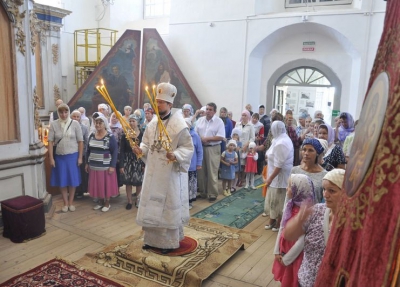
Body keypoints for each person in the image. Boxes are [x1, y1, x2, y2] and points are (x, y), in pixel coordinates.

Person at [133, 82, 194, 254]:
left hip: (169, 174)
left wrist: (175, 155)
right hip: (153, 173)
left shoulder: (179, 126)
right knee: (152, 206)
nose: (158, 104)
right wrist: (140, 150)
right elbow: (146, 143)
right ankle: (151, 240)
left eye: (162, 102)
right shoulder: (152, 124)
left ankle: (168, 243)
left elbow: (188, 148)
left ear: (170, 104)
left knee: (167, 208)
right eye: (157, 101)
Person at [284, 169, 345, 287]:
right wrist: (298, 220)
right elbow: (289, 235)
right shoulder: (317, 210)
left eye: (332, 191)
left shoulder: (352, 222)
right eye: (324, 189)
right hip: (306, 280)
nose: (325, 195)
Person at [272, 174, 316, 287]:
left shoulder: (307, 212)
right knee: (286, 278)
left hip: (295, 256)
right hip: (284, 251)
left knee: (293, 280)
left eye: (290, 186)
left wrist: (287, 259)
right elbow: (282, 227)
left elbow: (302, 240)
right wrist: (276, 250)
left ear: (299, 189)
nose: (287, 188)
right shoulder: (289, 205)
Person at [48, 104, 83, 212]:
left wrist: (80, 157)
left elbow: (80, 141)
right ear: (58, 113)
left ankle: (71, 202)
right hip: (59, 157)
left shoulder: (75, 124)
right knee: (62, 180)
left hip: (72, 156)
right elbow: (50, 142)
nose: (64, 114)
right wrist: (51, 158)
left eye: (66, 112)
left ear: (69, 112)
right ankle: (65, 203)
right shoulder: (54, 124)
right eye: (61, 112)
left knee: (72, 180)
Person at [264, 121, 294, 232]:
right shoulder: (277, 139)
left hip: (279, 175)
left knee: (279, 198)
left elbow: (279, 165)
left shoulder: (282, 142)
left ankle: (279, 221)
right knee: (272, 197)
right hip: (273, 173)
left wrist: (270, 178)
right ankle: (272, 219)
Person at [86, 116, 119, 212]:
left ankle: (107, 203)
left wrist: (112, 166)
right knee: (98, 184)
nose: (98, 125)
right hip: (94, 165)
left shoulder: (110, 136)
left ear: (105, 124)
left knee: (106, 185)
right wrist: (87, 163)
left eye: (100, 123)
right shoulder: (92, 135)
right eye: (96, 123)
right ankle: (100, 202)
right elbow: (88, 150)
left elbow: (115, 151)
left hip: (106, 166)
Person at [195, 102, 225, 202]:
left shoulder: (219, 121)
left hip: (213, 148)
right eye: (207, 109)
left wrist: (207, 138)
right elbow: (195, 133)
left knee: (212, 171)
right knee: (201, 171)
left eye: (210, 110)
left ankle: (212, 193)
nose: (208, 111)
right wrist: (200, 139)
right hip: (201, 147)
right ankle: (203, 192)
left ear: (215, 111)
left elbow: (221, 136)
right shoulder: (200, 120)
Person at [119, 114, 144, 209]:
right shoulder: (125, 134)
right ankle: (129, 200)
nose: (132, 123)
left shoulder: (142, 134)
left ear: (137, 122)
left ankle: (138, 199)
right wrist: (121, 165)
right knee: (128, 182)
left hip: (138, 160)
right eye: (130, 121)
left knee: (139, 182)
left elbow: (145, 150)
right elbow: (121, 150)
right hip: (128, 160)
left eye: (134, 121)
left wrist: (144, 164)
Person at [291, 138, 328, 203]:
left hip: (315, 211)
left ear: (317, 153)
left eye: (310, 150)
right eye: (304, 150)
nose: (306, 153)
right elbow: (289, 196)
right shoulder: (295, 170)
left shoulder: (324, 175)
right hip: (294, 211)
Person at [70, 109, 89, 199]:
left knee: (81, 173)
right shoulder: (68, 127)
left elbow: (86, 141)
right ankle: (72, 191)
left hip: (82, 153)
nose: (76, 118)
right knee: (73, 172)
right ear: (71, 117)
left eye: (78, 117)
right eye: (74, 116)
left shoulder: (84, 128)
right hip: (71, 153)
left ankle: (80, 191)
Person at [185, 118, 203, 209]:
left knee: (191, 184)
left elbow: (199, 151)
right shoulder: (180, 135)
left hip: (192, 164)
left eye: (186, 124)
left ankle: (189, 201)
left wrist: (199, 163)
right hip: (182, 164)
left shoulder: (195, 135)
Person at [235, 110, 255, 187]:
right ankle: (237, 178)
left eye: (245, 115)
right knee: (237, 163)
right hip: (238, 146)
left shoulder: (250, 126)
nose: (243, 117)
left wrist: (246, 145)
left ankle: (242, 179)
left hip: (246, 147)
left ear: (248, 116)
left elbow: (252, 138)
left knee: (244, 164)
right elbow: (235, 134)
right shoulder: (237, 124)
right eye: (242, 115)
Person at [230, 128, 242, 193]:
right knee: (231, 172)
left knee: (236, 172)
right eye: (234, 134)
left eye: (236, 135)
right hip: (230, 158)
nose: (235, 136)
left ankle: (234, 186)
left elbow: (237, 149)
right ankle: (230, 185)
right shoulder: (230, 142)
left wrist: (234, 144)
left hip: (236, 158)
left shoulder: (239, 143)